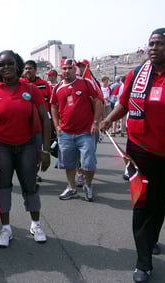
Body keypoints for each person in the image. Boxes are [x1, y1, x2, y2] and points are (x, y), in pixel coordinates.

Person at [100, 28, 165, 283]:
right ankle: (143, 261)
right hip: (140, 151)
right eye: (150, 44)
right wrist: (107, 119)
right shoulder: (137, 74)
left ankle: (152, 239)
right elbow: (124, 103)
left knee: (159, 203)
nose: (153, 48)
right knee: (142, 204)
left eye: (159, 44)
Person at [0, 50, 51, 248]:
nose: (6, 68)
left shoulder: (31, 89)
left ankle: (36, 225)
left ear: (17, 65)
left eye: (10, 63)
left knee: (30, 186)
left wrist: (45, 150)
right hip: (2, 147)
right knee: (3, 188)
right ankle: (6, 229)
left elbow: (45, 120)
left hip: (27, 146)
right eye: (1, 65)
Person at [51, 58, 103, 202]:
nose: (67, 71)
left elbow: (98, 101)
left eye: (70, 68)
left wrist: (95, 122)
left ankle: (88, 185)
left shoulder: (86, 83)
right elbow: (53, 106)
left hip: (86, 132)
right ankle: (72, 188)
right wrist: (56, 126)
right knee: (68, 164)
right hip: (66, 133)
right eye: (64, 69)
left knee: (89, 164)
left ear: (75, 69)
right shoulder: (57, 88)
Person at [21, 60, 52, 183]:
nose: (28, 70)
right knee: (25, 150)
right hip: (24, 124)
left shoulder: (44, 84)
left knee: (38, 149)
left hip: (41, 123)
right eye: (26, 68)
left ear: (35, 70)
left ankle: (34, 172)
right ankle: (25, 171)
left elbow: (50, 103)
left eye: (30, 68)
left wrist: (51, 122)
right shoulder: (21, 84)